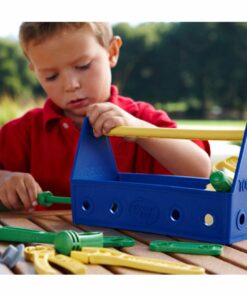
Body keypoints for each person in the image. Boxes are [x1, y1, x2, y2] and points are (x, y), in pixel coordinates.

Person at [0, 22, 211, 212]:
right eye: (51, 76)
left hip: (135, 247)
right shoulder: (23, 132)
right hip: (47, 249)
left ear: (112, 52)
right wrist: (5, 180)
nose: (70, 85)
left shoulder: (141, 118)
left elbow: (201, 171)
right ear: (34, 70)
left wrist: (139, 131)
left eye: (82, 66)